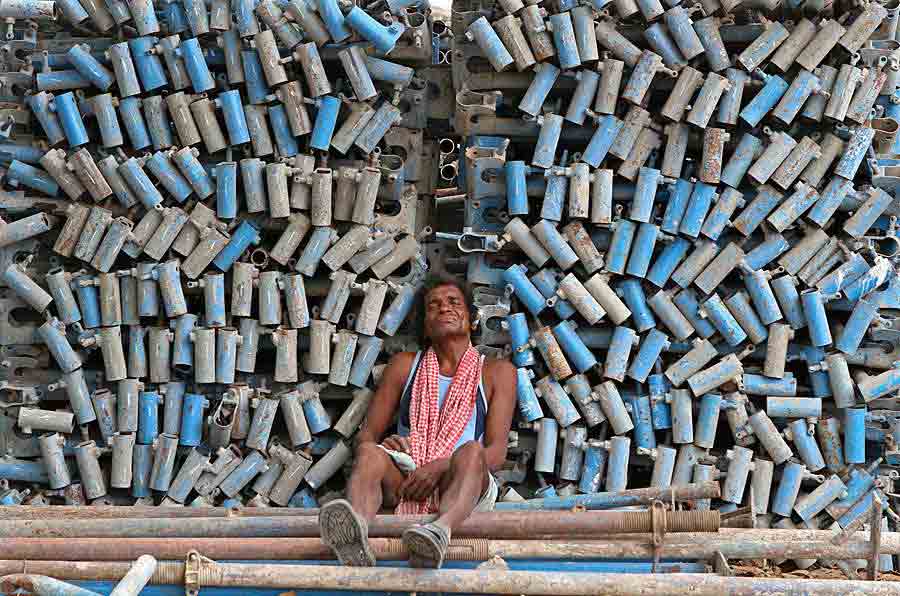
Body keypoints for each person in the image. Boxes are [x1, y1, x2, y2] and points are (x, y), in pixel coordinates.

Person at [318, 277, 517, 569]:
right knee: (370, 454)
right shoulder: (404, 365)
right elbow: (366, 436)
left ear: (472, 320)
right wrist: (387, 446)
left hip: (462, 480)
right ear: (425, 326)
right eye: (433, 306)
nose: (444, 308)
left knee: (472, 451)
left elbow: (496, 454)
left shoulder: (498, 372)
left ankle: (439, 532)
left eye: (453, 302)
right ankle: (355, 533)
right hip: (408, 476)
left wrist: (439, 467)